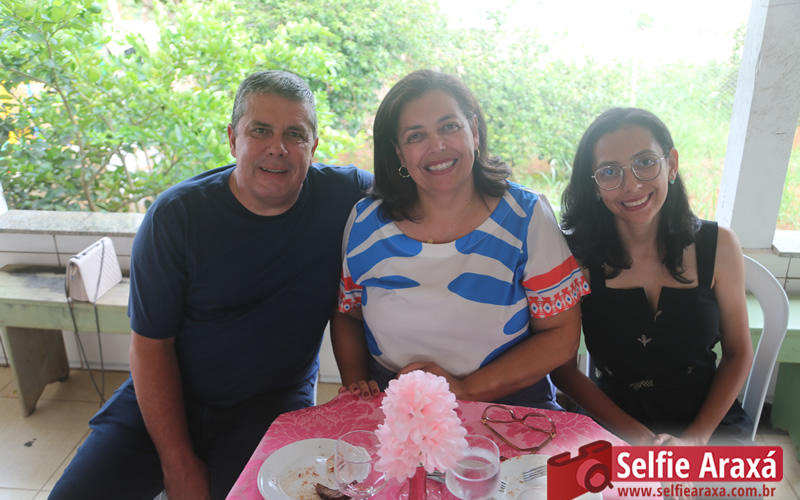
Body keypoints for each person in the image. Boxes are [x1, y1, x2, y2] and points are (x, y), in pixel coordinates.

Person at [49, 70, 372, 500]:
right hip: (169, 393)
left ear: (313, 147)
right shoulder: (176, 218)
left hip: (270, 401)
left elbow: (422, 190)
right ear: (233, 139)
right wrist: (177, 463)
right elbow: (150, 346)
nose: (277, 148)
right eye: (260, 130)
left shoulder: (344, 195)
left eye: (294, 134)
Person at [331, 69, 587, 410]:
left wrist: (465, 389)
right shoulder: (366, 222)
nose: (437, 146)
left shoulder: (526, 216)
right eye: (415, 136)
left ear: (474, 132)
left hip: (509, 409)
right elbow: (348, 314)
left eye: (449, 126)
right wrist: (357, 392)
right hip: (393, 406)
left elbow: (561, 336)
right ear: (399, 153)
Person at [550, 107, 753, 446]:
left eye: (645, 162)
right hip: (613, 423)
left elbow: (738, 352)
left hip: (710, 424)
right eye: (609, 171)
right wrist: (644, 441)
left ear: (671, 164)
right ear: (594, 185)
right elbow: (563, 369)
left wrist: (695, 440)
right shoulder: (574, 257)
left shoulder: (719, 246)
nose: (631, 185)